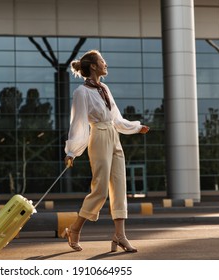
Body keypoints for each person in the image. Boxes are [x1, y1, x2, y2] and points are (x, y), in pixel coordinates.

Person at [62, 50, 150, 253]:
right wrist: (72, 151)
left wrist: (136, 127)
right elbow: (78, 124)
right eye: (102, 61)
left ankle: (120, 235)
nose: (105, 64)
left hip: (113, 136)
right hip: (99, 136)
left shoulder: (105, 88)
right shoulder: (81, 92)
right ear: (93, 66)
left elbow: (116, 118)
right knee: (100, 189)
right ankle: (74, 229)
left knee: (119, 187)